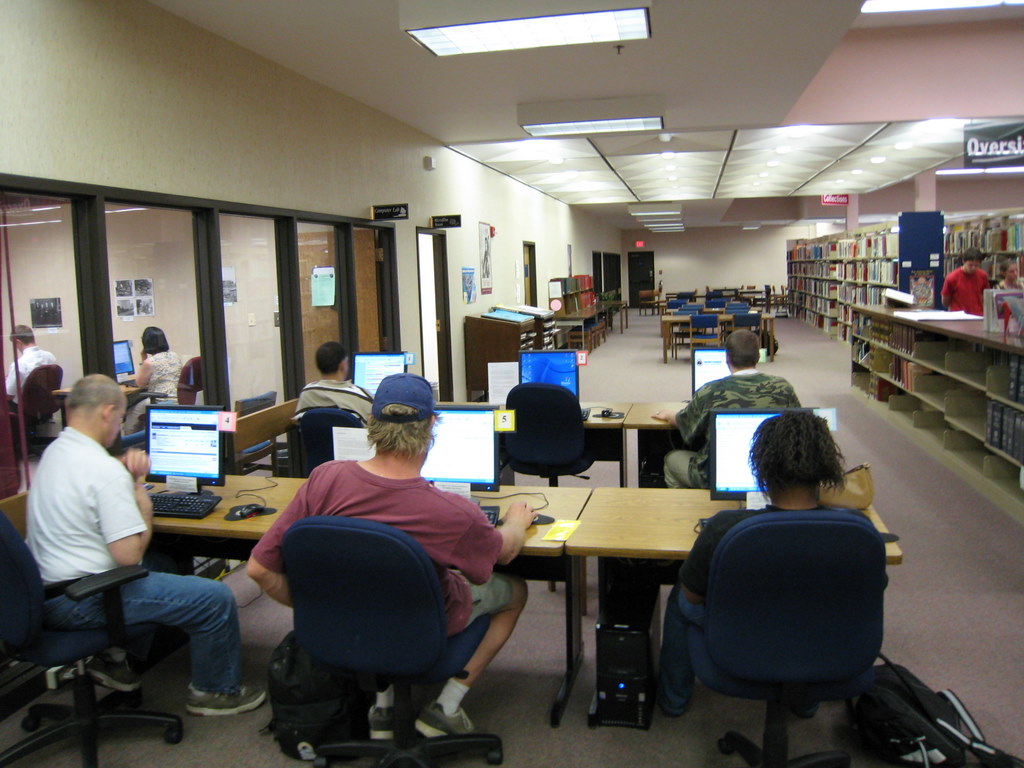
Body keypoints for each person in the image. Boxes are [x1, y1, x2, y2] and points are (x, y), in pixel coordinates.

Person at [248, 373, 535, 739]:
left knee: (371, 583)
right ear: (432, 425)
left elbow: (258, 569)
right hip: (424, 630)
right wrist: (515, 521)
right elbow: (504, 553)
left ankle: (382, 709)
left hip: (341, 629)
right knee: (516, 591)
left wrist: (319, 608)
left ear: (371, 423)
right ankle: (446, 706)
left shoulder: (324, 479)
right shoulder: (453, 512)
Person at [26, 374, 266, 716]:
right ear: (109, 412)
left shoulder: (54, 454)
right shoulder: (103, 470)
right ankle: (214, 692)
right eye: (121, 417)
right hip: (84, 599)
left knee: (163, 563)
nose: (119, 427)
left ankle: (116, 658)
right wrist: (139, 490)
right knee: (216, 598)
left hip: (49, 592)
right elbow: (129, 556)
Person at [657, 410, 852, 717]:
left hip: (737, 645)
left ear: (760, 465)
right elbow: (867, 593)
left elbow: (693, 599)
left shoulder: (725, 527)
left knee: (680, 596)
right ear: (828, 465)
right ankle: (807, 698)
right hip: (817, 640)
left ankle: (673, 700)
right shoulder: (855, 531)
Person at [652, 330, 800, 489]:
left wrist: (669, 415)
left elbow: (687, 425)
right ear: (758, 356)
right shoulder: (783, 388)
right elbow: (800, 425)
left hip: (717, 474)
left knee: (672, 459)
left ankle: (692, 508)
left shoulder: (711, 390)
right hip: (771, 471)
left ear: (727, 358)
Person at [293, 342, 373, 424]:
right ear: (342, 365)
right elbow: (375, 428)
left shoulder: (306, 393)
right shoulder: (361, 396)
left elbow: (299, 424)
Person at [125, 326, 182, 433]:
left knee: (132, 411)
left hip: (161, 400)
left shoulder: (150, 362)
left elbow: (140, 383)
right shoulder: (175, 356)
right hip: (180, 399)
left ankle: (129, 438)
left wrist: (143, 356)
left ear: (146, 343)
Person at [6, 324, 57, 403]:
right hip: (46, 405)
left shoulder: (19, 364)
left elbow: (9, 395)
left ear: (18, 342)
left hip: (23, 410)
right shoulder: (50, 356)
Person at [941, 248, 988, 315]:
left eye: (977, 265)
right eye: (970, 265)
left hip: (977, 315)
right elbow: (945, 302)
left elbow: (986, 296)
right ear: (964, 261)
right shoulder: (952, 278)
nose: (973, 268)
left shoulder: (983, 275)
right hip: (958, 316)